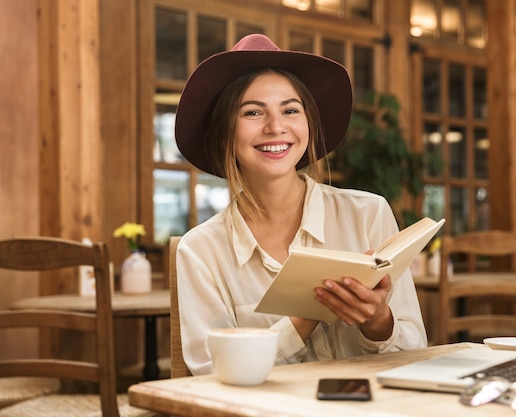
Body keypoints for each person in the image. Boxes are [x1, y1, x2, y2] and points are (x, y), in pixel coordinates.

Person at [175, 33, 427, 375]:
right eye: (252, 112)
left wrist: (377, 319)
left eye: (291, 110)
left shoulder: (368, 214)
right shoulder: (200, 250)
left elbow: (415, 350)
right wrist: (310, 310)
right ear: (224, 134)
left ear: (308, 123)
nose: (276, 127)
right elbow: (212, 374)